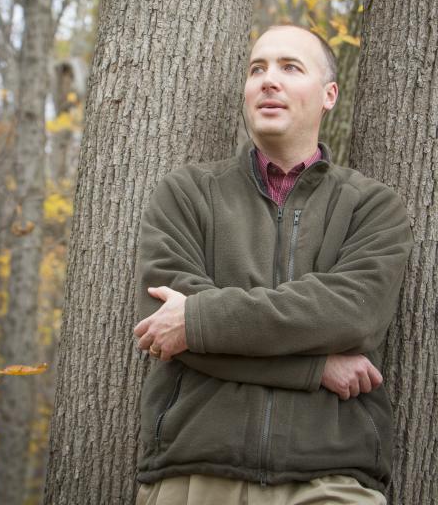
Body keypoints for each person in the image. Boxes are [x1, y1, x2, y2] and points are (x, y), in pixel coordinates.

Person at [133, 25, 413, 505]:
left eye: (290, 67)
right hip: (194, 473)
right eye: (257, 68)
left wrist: (201, 318)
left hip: (331, 477)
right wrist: (315, 367)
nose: (268, 80)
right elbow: (165, 332)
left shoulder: (373, 206)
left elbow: (352, 313)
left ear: (329, 95)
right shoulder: (186, 193)